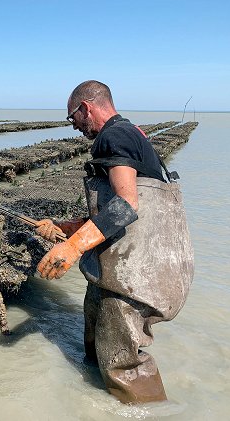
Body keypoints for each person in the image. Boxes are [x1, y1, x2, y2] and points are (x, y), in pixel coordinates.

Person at [36, 80, 194, 404]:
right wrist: (63, 229)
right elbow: (116, 211)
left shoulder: (114, 135)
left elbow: (127, 205)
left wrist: (73, 247)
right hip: (137, 267)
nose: (75, 126)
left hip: (136, 276)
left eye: (73, 118)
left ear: (86, 108)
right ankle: (93, 404)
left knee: (123, 365)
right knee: (96, 345)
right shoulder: (130, 133)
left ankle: (146, 410)